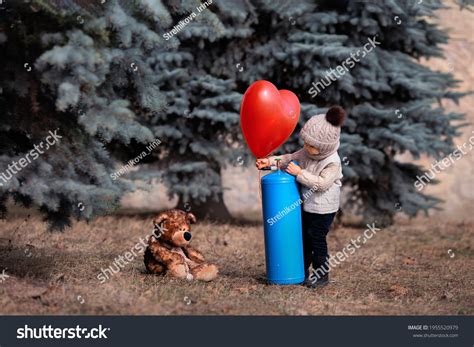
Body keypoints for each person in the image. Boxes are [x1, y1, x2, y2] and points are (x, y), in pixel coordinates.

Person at [255, 106, 346, 287]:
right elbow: (289, 159)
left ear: (323, 147)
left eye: (311, 145)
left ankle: (321, 276)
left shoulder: (332, 162)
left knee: (316, 240)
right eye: (305, 142)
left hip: (323, 209)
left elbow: (322, 184)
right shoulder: (307, 152)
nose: (306, 147)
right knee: (303, 237)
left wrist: (299, 173)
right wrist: (270, 162)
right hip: (306, 205)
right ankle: (299, 271)